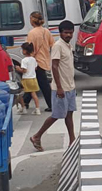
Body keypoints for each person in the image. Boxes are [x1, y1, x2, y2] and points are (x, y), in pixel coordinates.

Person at [30, 20, 77, 151]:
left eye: (70, 33)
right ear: (60, 33)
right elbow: (54, 66)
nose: (68, 35)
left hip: (70, 86)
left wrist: (72, 85)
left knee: (69, 114)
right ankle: (37, 136)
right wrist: (59, 87)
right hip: (60, 88)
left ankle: (72, 140)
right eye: (66, 33)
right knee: (57, 115)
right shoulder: (58, 46)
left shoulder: (68, 45)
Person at [26, 11, 54, 111]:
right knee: (35, 81)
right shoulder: (46, 31)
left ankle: (51, 104)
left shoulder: (32, 33)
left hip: (35, 60)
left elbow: (29, 48)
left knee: (42, 83)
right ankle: (25, 101)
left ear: (32, 20)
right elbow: (52, 44)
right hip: (44, 59)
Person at [19, 42, 43, 114]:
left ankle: (23, 108)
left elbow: (24, 70)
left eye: (23, 49)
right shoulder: (33, 59)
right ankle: (37, 109)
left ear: (25, 51)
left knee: (20, 94)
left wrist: (18, 69)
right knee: (34, 94)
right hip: (33, 78)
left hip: (26, 79)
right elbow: (35, 68)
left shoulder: (24, 60)